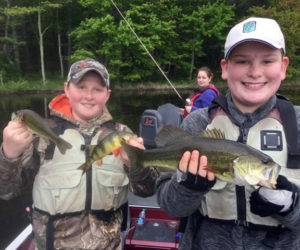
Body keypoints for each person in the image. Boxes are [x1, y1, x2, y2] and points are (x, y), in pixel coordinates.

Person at [156, 17, 300, 249]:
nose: (255, 72)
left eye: (267, 61)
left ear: (283, 67)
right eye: (242, 61)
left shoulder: (298, 124)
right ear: (224, 68)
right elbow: (170, 206)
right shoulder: (198, 123)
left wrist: (290, 206)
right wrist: (187, 188)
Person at [0, 58, 158, 250]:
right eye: (81, 87)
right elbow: (6, 192)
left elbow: (147, 189)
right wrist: (8, 155)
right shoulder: (41, 136)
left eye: (97, 89)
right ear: (67, 89)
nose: (88, 96)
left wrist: (136, 164)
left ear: (107, 94)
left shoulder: (122, 133)